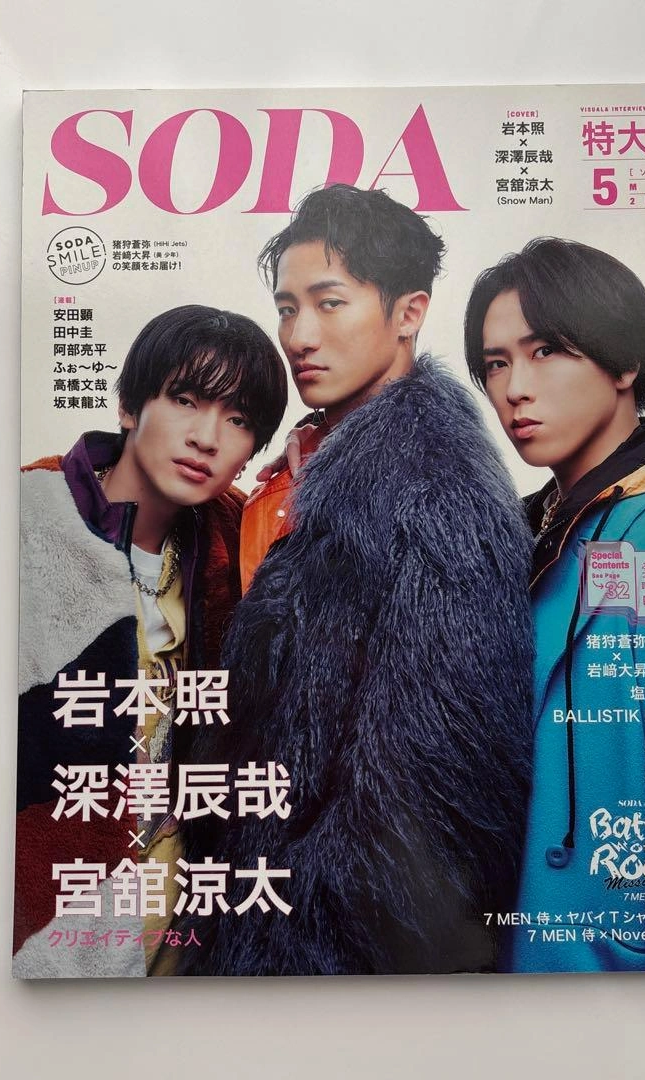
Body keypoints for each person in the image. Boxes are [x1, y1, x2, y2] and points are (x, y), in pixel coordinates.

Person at [179, 184, 535, 976]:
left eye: (329, 303)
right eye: (287, 308)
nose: (299, 336)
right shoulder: (305, 470)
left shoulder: (434, 489)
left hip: (321, 962)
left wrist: (280, 956)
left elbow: (431, 807)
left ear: (409, 313)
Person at [464, 237, 645, 971]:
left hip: (615, 975)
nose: (514, 389)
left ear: (624, 362)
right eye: (496, 363)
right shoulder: (535, 531)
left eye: (546, 351)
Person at [13, 304, 287, 978]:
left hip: (179, 921)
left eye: (238, 420)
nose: (206, 438)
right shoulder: (26, 520)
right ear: (130, 406)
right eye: (186, 400)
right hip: (54, 918)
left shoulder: (235, 547)